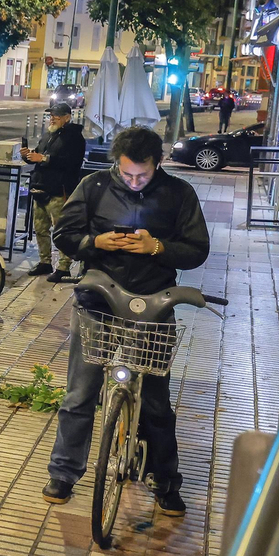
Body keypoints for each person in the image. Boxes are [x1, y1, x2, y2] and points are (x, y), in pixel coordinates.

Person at [43, 126, 210, 516]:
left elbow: (197, 249)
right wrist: (94, 243)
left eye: (143, 174)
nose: (134, 181)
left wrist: (158, 247)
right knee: (80, 393)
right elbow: (64, 233)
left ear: (158, 164)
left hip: (153, 305)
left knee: (155, 401)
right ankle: (63, 474)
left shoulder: (179, 193)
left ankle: (165, 479)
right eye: (127, 174)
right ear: (116, 163)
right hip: (98, 299)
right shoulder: (94, 185)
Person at [23, 102, 86, 283]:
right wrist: (28, 155)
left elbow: (71, 162)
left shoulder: (75, 137)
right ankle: (45, 262)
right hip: (40, 187)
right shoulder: (48, 134)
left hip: (60, 190)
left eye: (56, 116)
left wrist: (43, 158)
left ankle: (64, 267)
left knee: (61, 229)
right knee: (40, 228)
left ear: (67, 117)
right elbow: (39, 156)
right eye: (51, 115)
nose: (52, 118)